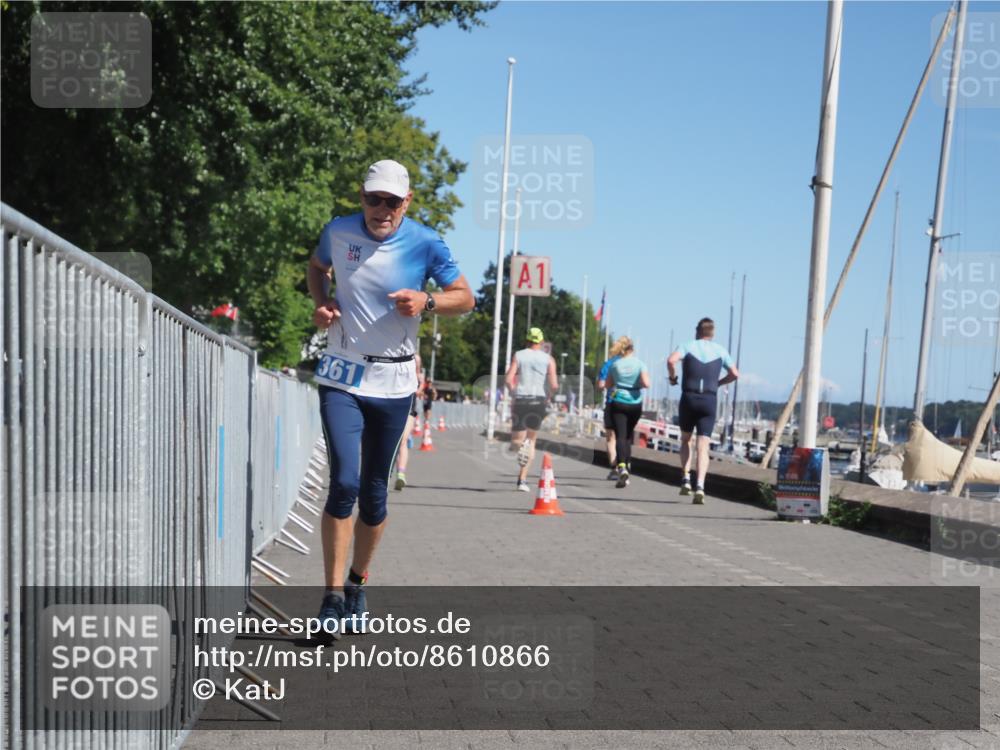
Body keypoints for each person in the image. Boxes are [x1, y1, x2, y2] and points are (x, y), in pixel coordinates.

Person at [306, 159, 474, 639]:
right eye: (372, 198)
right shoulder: (338, 231)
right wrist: (321, 303)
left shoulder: (426, 242)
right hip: (342, 372)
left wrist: (428, 301)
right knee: (344, 482)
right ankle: (331, 597)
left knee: (375, 495)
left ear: (407, 202)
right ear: (361, 197)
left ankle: (357, 584)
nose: (381, 209)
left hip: (394, 380)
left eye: (391, 201)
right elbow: (316, 267)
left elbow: (466, 297)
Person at [666, 317, 739, 504]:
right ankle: (700, 486)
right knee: (703, 446)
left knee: (686, 440)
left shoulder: (687, 345)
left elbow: (671, 360)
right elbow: (735, 374)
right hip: (709, 400)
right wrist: (719, 383)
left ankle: (685, 478)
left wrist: (673, 378)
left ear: (697, 332)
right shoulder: (721, 351)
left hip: (689, 398)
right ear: (712, 333)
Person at [504, 327, 558, 492]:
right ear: (541, 341)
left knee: (516, 441)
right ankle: (522, 480)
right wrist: (548, 396)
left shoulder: (519, 355)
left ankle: (520, 447)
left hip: (521, 398)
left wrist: (513, 392)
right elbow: (554, 385)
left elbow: (508, 379)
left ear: (527, 340)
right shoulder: (549, 359)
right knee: (531, 440)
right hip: (539, 400)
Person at [605, 338, 650, 489]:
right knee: (628, 436)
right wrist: (636, 384)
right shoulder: (640, 364)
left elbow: (608, 384)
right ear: (632, 349)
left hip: (618, 401)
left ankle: (622, 466)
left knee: (620, 436)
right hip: (635, 403)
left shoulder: (615, 365)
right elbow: (646, 383)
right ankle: (627, 466)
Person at [597, 337, 628, 480]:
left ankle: (615, 469)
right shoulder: (632, 363)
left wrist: (610, 386)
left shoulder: (609, 363)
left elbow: (600, 384)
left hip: (612, 402)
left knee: (611, 438)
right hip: (629, 403)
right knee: (624, 437)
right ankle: (625, 465)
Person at [393, 353, 424, 491]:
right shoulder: (397, 370)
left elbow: (419, 391)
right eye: (414, 361)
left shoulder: (420, 377)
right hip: (394, 407)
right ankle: (385, 473)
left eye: (417, 362)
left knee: (403, 441)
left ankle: (401, 474)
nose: (415, 363)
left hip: (410, 409)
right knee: (393, 442)